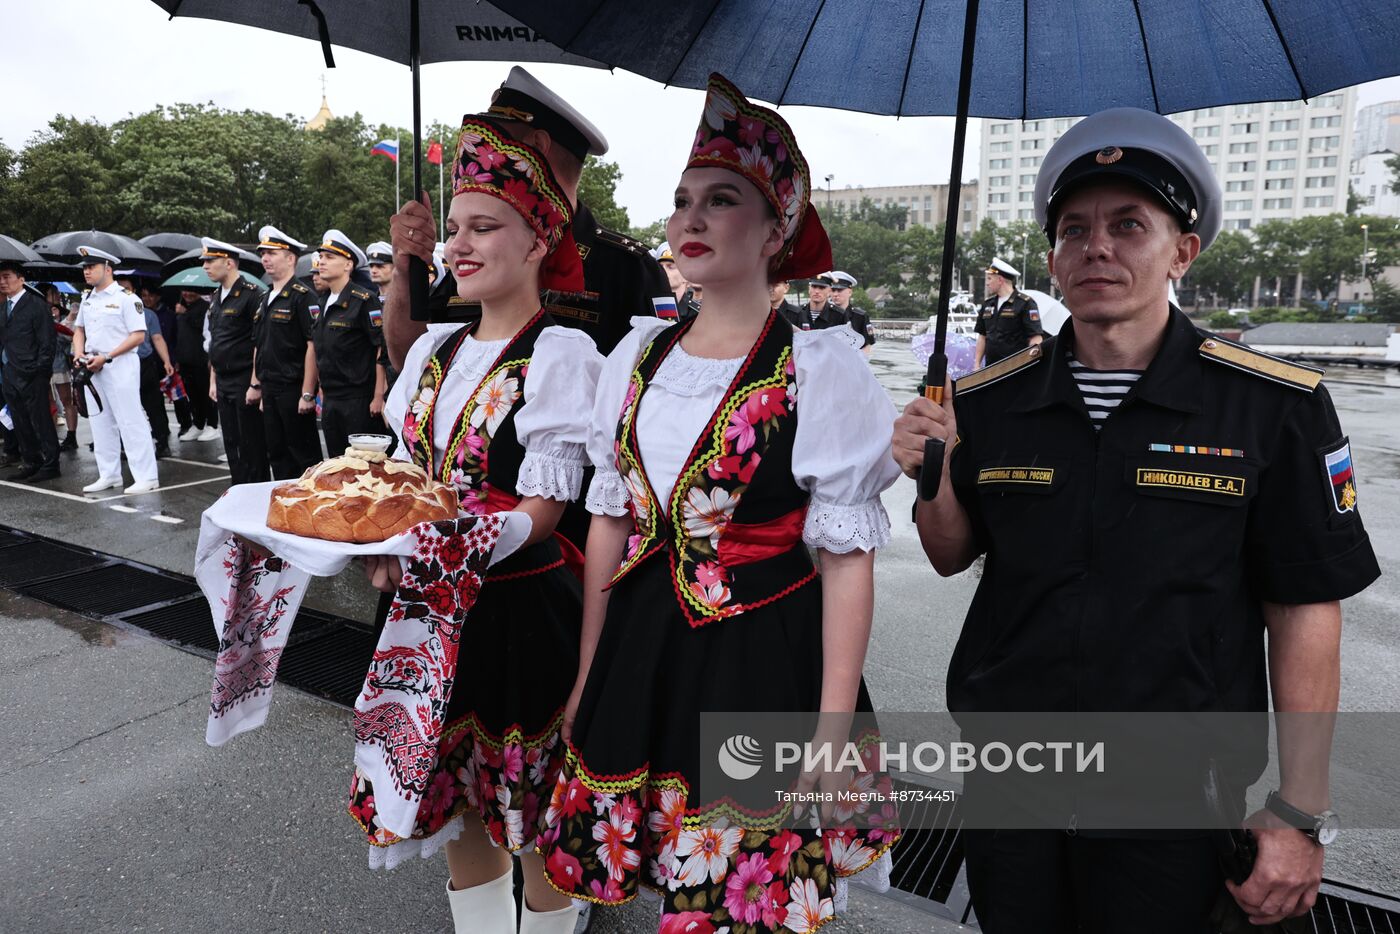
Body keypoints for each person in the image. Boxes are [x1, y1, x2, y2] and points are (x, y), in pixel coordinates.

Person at [891, 107, 1381, 933]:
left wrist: (1301, 810)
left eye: (1129, 225)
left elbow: (1302, 609)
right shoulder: (988, 401)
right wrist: (930, 477)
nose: (1097, 248)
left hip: (1177, 801)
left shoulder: (1272, 407)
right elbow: (951, 554)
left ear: (1183, 251)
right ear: (1052, 257)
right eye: (1074, 229)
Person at [538, 73, 900, 931]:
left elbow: (847, 560)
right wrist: (589, 668)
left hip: (760, 658)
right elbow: (611, 519)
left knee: (740, 896)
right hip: (638, 644)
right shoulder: (638, 355)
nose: (691, 219)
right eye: (683, 200)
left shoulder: (820, 365)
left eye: (723, 199)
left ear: (778, 230)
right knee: (661, 858)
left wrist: (831, 726)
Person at [357, 115, 601, 934]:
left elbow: (542, 511)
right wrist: (383, 536)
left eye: (484, 227)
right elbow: (404, 475)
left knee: (531, 821)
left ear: (539, 241)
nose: (461, 245)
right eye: (455, 229)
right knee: (457, 804)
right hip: (426, 618)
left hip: (517, 619)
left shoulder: (562, 355)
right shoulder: (435, 352)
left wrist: (434, 546)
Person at [386, 66, 673, 360]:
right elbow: (411, 363)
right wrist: (405, 275)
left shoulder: (626, 268)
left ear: (535, 147)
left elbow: (659, 380)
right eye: (453, 230)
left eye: (495, 137)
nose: (479, 146)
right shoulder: (470, 257)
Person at [70, 246, 159, 494]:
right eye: (85, 268)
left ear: (108, 269)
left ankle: (147, 476)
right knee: (100, 422)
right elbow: (79, 330)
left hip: (119, 364)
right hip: (92, 365)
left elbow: (138, 336)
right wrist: (79, 354)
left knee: (130, 421)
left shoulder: (127, 299)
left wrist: (107, 356)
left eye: (91, 267)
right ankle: (109, 474)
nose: (86, 272)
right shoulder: (87, 298)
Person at [250, 226, 322, 479]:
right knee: (277, 453)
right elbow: (259, 344)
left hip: (292, 388)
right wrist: (256, 385)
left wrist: (307, 392)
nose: (265, 258)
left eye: (272, 253)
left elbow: (312, 346)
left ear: (290, 258)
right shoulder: (265, 297)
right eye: (263, 254)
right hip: (270, 388)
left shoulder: (303, 297)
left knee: (302, 454)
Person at [311, 229, 388, 458]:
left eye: (329, 257)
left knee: (362, 464)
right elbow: (322, 349)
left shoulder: (363, 300)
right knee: (336, 461)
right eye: (321, 257)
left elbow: (379, 347)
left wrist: (378, 396)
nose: (322, 262)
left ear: (348, 265)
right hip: (331, 398)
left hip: (359, 399)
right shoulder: (322, 301)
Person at [204, 238, 269, 484]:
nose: (205, 267)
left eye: (211, 261)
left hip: (244, 378)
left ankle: (255, 491)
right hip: (223, 378)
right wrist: (213, 380)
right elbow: (215, 342)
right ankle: (238, 489)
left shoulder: (252, 295)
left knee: (251, 442)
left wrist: (255, 383)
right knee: (231, 440)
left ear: (229, 263)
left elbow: (258, 342)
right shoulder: (216, 297)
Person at [0, 262, 60, 480]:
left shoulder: (36, 305)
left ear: (21, 279)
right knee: (20, 420)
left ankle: (51, 463)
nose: (2, 282)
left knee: (41, 420)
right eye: (0, 278)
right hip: (9, 373)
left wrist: (40, 371)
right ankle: (31, 460)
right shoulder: (4, 308)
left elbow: (47, 342)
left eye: (7, 277)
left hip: (33, 374)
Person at [132, 281, 176, 458]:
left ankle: (162, 441)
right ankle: (127, 445)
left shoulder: (147, 314)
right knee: (127, 408)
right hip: (120, 365)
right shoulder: (113, 313)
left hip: (144, 363)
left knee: (154, 405)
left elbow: (157, 338)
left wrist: (167, 361)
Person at [972, 257, 1042, 368]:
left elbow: (1035, 337)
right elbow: (982, 336)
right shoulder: (987, 304)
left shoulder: (1025, 303)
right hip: (990, 370)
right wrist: (976, 364)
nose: (987, 283)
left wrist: (1030, 362)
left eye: (989, 279)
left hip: (1015, 370)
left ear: (1000, 280)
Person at [174, 289, 219, 443]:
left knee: (206, 393)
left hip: (201, 359)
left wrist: (185, 313)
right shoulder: (180, 306)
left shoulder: (206, 307)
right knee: (192, 395)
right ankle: (198, 424)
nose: (187, 294)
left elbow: (205, 329)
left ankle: (212, 425)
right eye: (184, 291)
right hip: (185, 360)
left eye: (191, 291)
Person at [47, 288, 79, 452]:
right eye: (53, 294)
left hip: (59, 364)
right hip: (44, 365)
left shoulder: (64, 315)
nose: (57, 297)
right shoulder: (39, 314)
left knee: (67, 400)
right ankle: (51, 438)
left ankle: (71, 436)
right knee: (49, 402)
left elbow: (71, 336)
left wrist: (68, 319)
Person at [829, 270, 876, 351]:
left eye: (840, 290)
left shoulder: (860, 317)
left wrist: (858, 362)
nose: (835, 294)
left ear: (850, 292)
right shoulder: (825, 315)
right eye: (833, 290)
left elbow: (867, 344)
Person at [652, 242, 693, 320]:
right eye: (660, 267)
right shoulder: (648, 308)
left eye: (670, 267)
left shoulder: (698, 313)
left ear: (686, 275)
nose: (663, 271)